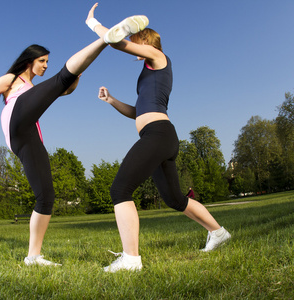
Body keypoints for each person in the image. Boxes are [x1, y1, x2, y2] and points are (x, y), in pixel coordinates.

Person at [0, 11, 148, 267]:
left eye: (47, 61)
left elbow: (65, 90)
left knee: (46, 196)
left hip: (27, 139)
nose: (45, 65)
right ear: (30, 61)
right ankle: (105, 38)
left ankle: (33, 256)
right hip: (17, 123)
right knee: (61, 77)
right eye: (42, 60)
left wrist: (75, 78)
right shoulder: (12, 80)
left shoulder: (35, 90)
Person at [86, 3, 231, 272]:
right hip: (160, 135)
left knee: (119, 190)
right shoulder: (148, 73)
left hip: (158, 135)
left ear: (144, 38)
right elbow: (137, 112)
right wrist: (111, 101)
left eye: (134, 37)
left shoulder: (157, 56)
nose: (131, 42)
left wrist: (92, 23)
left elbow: (116, 42)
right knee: (175, 199)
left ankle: (131, 259)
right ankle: (219, 232)